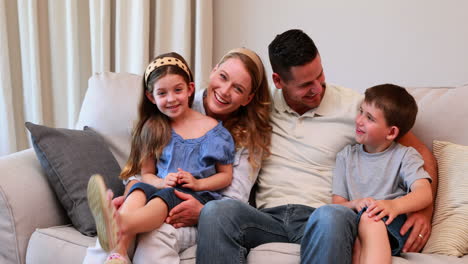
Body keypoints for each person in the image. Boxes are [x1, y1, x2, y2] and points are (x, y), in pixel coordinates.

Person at [195, 29, 437, 264]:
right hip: (267, 218)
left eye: (320, 75)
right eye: (305, 85)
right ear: (278, 81)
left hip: (322, 218)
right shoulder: (260, 108)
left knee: (331, 214)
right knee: (217, 211)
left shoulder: (357, 108)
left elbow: (420, 152)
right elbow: (211, 107)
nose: (318, 88)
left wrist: (423, 212)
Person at [82, 47, 272, 264]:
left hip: (202, 211)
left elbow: (230, 200)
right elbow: (144, 173)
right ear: (213, 71)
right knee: (137, 197)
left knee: (155, 230)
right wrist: (136, 192)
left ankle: (120, 224)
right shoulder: (168, 112)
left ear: (248, 98)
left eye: (238, 88)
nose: (225, 91)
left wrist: (200, 208)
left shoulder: (235, 136)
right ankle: (117, 246)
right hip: (158, 190)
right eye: (223, 77)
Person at [332, 84, 433, 264]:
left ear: (391, 132)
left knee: (370, 217)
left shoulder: (405, 156)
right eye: (361, 111)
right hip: (356, 221)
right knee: (356, 237)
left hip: (391, 224)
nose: (359, 120)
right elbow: (337, 205)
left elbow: (424, 193)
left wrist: (393, 206)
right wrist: (356, 203)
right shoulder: (345, 157)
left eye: (369, 118)